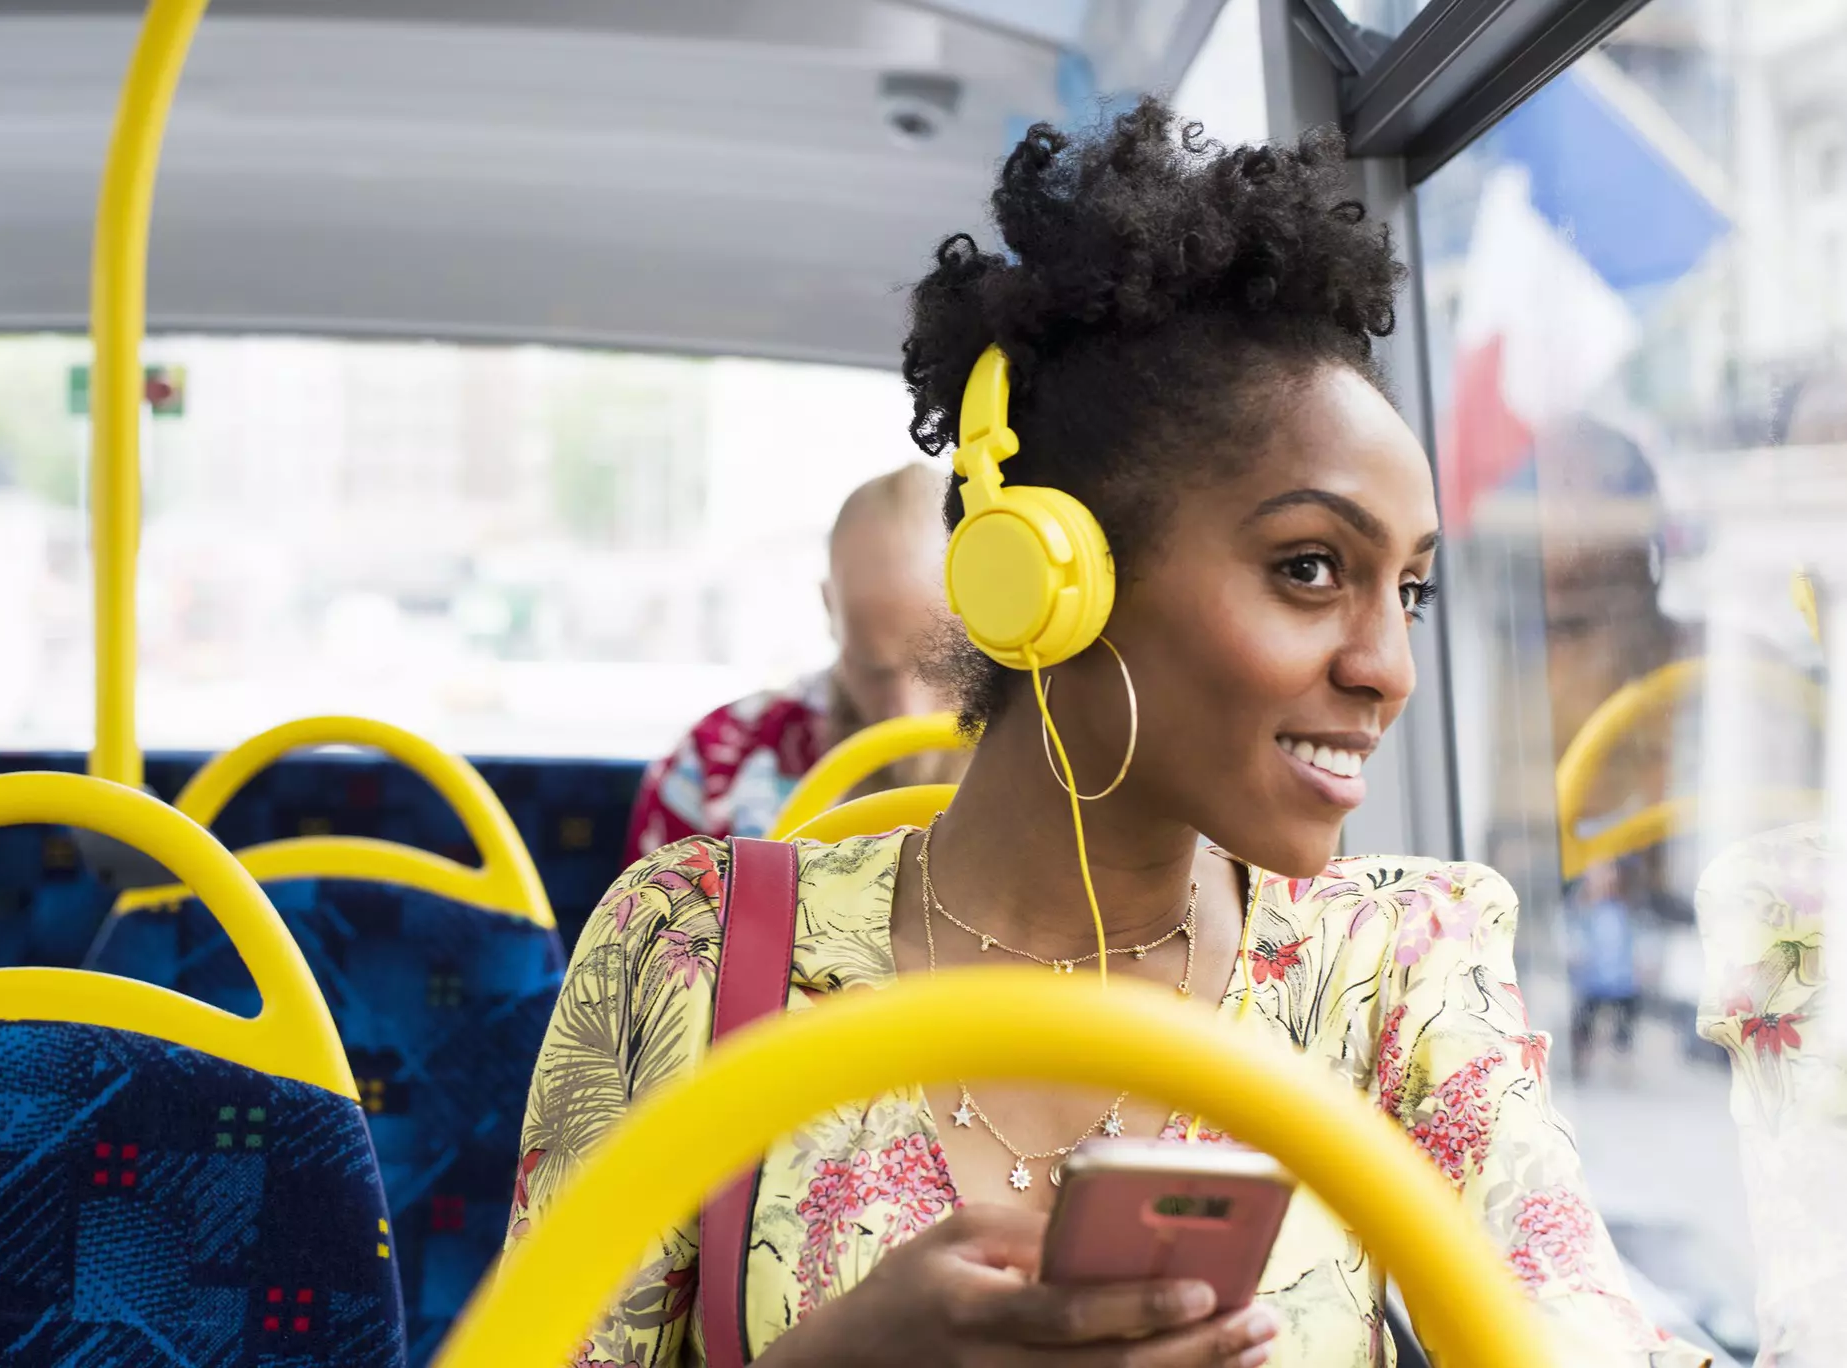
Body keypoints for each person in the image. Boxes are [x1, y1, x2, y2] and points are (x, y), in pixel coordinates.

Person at [513, 102, 1702, 1367]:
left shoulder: (1395, 967)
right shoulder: (691, 950)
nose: (1388, 668)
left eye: (1405, 589)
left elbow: (1581, 1331)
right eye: (1309, 568)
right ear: (1055, 578)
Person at [623, 462, 963, 860]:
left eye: (944, 669)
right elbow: (645, 915)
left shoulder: (1042, 755)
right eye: (874, 672)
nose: (907, 713)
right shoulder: (718, 767)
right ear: (829, 609)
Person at [1568, 861, 1641, 1076]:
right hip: (1592, 980)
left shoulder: (1625, 908)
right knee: (1585, 1023)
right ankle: (1581, 1065)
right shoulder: (1582, 908)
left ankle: (1622, 1066)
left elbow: (1634, 940)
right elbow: (1572, 938)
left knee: (1624, 1026)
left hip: (1621, 980)